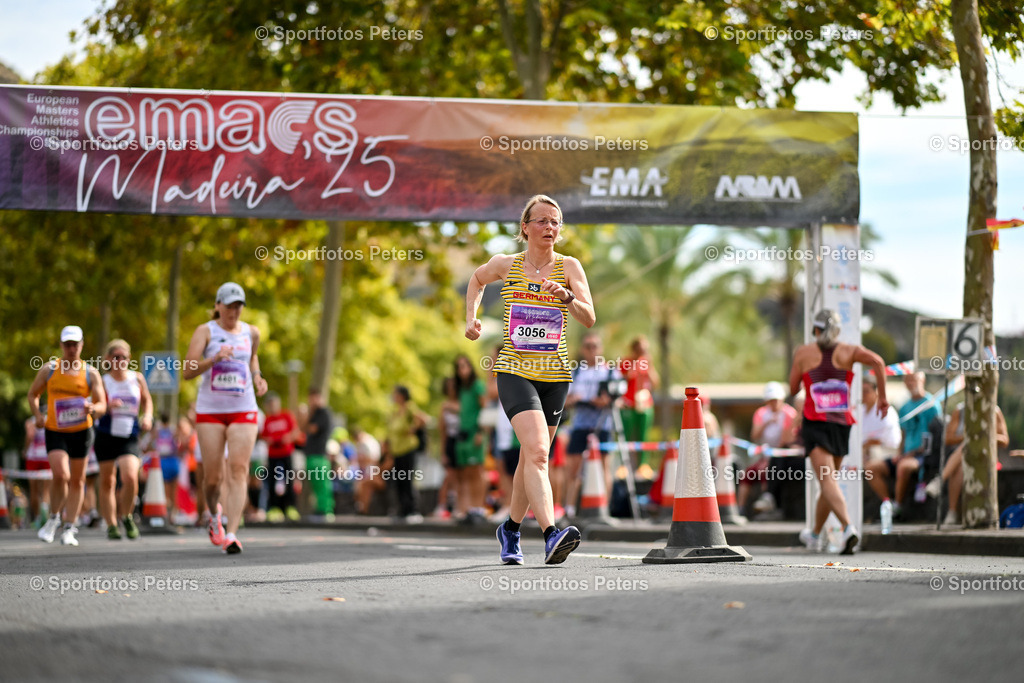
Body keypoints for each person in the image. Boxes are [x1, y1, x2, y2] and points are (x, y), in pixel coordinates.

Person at [466, 194, 595, 565]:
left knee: (531, 457)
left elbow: (588, 318)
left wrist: (568, 296)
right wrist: (470, 318)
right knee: (539, 453)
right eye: (541, 221)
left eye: (555, 222)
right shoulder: (506, 265)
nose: (550, 228)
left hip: (554, 375)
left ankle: (509, 529)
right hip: (513, 370)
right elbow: (476, 281)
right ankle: (552, 534)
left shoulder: (570, 266)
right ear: (525, 227)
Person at [790, 309, 888, 555]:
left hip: (815, 423)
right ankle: (814, 535)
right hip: (841, 424)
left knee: (827, 479)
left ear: (815, 330)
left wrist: (807, 375)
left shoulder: (803, 353)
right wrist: (883, 399)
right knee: (828, 479)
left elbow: (793, 387)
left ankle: (847, 528)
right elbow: (878, 361)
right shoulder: (848, 351)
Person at [183, 282, 268, 554]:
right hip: (210, 410)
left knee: (239, 470)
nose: (234, 311)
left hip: (244, 407)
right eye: (229, 305)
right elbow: (187, 370)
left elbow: (252, 359)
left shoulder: (251, 332)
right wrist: (214, 359)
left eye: (238, 306)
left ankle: (232, 533)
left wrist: (257, 377)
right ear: (217, 305)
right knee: (212, 479)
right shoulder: (205, 331)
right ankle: (213, 514)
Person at [27, 325, 107, 546]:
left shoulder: (90, 373)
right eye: (67, 344)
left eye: (75, 344)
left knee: (78, 480)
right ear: (61, 345)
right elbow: (33, 394)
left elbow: (102, 404)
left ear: (82, 345)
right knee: (61, 475)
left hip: (82, 431)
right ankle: (53, 519)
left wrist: (94, 408)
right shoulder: (49, 369)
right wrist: (37, 415)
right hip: (55, 430)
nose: (72, 349)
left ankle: (70, 527)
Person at [94, 339, 152, 540]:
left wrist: (148, 417)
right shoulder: (103, 380)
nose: (120, 360)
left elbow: (147, 401)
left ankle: (126, 515)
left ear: (129, 359)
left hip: (129, 435)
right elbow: (95, 405)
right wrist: (107, 406)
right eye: (116, 357)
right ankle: (111, 524)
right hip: (106, 434)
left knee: (130, 477)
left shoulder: (137, 379)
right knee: (108, 482)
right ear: (109, 359)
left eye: (124, 357)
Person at [865, 371, 940, 518]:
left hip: (923, 456)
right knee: (871, 468)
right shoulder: (905, 407)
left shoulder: (932, 405)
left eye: (914, 379)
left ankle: (898, 506)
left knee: (904, 466)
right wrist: (900, 454)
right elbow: (903, 434)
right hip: (906, 454)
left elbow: (933, 437)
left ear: (922, 380)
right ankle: (888, 503)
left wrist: (910, 454)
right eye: (907, 380)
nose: (910, 383)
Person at [564, 333, 620, 518]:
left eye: (595, 345)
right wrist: (574, 400)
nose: (591, 350)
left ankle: (605, 508)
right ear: (582, 349)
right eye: (588, 346)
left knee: (604, 466)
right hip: (580, 424)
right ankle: (569, 509)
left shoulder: (611, 372)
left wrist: (606, 401)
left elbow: (620, 399)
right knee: (573, 467)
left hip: (602, 424)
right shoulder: (575, 372)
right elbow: (563, 400)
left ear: (600, 348)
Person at [926, 403, 1009, 525]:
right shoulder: (959, 410)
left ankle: (941, 479)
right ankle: (952, 512)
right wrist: (969, 435)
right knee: (961, 463)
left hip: (986, 458)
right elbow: (948, 438)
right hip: (962, 459)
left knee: (967, 444)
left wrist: (983, 436)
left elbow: (1005, 440)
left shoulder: (994, 410)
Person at [739, 381, 799, 517]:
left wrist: (769, 459)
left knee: (768, 471)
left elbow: (786, 439)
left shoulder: (789, 414)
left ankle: (768, 506)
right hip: (763, 454)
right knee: (747, 475)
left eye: (776, 400)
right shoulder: (761, 413)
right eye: (771, 400)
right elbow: (755, 436)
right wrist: (767, 423)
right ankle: (741, 508)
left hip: (780, 456)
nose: (774, 403)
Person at [453, 354, 488, 524]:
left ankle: (479, 508)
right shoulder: (461, 389)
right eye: (459, 367)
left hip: (475, 433)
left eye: (465, 365)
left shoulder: (477, 386)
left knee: (477, 471)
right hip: (463, 434)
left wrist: (481, 432)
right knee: (465, 473)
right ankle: (467, 510)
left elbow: (484, 407)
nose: (462, 370)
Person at [384, 385, 426, 523]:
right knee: (399, 480)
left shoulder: (409, 407)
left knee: (408, 479)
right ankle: (402, 510)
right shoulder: (396, 411)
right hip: (397, 451)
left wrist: (412, 429)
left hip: (408, 449)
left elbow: (422, 419)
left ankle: (412, 510)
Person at [260, 392, 301, 522]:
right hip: (272, 454)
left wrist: (287, 438)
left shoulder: (286, 415)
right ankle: (274, 508)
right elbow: (263, 436)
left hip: (286, 452)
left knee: (289, 479)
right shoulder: (267, 419)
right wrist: (270, 440)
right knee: (271, 481)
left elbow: (296, 432)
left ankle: (291, 507)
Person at [621, 336, 660, 473]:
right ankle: (624, 465)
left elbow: (655, 382)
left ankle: (643, 465)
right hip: (629, 404)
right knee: (625, 435)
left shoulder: (647, 362)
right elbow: (622, 378)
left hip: (644, 404)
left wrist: (649, 367)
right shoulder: (626, 361)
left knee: (644, 435)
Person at [303, 388, 334, 521]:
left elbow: (312, 428)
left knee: (322, 484)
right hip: (312, 455)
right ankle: (320, 509)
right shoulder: (315, 413)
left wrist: (307, 415)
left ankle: (325, 510)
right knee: (316, 485)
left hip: (319, 456)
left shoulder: (323, 413)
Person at [436, 376, 461, 519]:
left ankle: (458, 506)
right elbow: (442, 430)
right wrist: (443, 452)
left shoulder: (463, 402)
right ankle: (442, 505)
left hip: (463, 440)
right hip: (451, 441)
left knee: (461, 476)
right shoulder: (444, 405)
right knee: (449, 476)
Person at [859, 376, 901, 462]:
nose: (863, 394)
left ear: (876, 392)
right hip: (866, 451)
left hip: (887, 452)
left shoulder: (885, 411)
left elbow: (879, 440)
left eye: (866, 391)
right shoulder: (861, 410)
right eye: (861, 391)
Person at [23, 409, 50, 527]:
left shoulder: (30, 421)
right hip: (46, 456)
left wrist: (25, 449)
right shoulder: (50, 420)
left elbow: (30, 435)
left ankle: (38, 518)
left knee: (34, 490)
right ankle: (45, 507)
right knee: (46, 490)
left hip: (33, 457)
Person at [351, 425, 383, 514]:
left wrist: (362, 460)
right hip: (365, 471)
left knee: (363, 485)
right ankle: (361, 508)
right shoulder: (363, 443)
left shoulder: (368, 442)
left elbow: (373, 459)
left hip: (371, 471)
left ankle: (363, 509)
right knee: (359, 486)